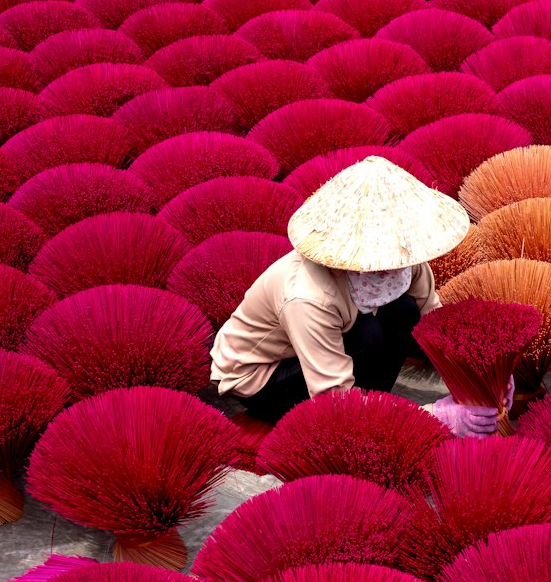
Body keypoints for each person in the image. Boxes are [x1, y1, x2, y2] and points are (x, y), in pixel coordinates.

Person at [210, 158, 501, 436]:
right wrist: (429, 417)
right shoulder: (308, 296)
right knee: (369, 335)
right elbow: (331, 398)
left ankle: (374, 408)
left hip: (328, 343)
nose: (394, 267)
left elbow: (434, 321)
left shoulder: (406, 256)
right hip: (263, 376)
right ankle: (370, 420)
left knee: (405, 310)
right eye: (381, 260)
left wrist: (479, 375)